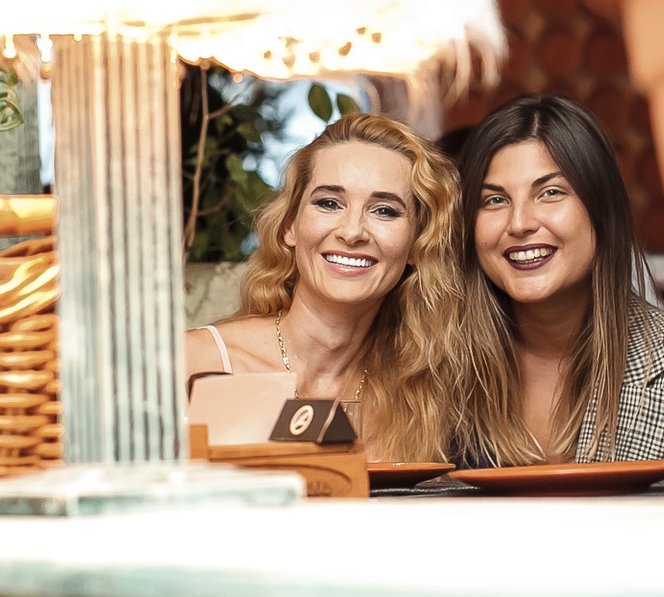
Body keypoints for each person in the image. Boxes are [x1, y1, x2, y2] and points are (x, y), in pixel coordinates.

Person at [453, 94, 664, 467]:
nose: (520, 223)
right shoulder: (433, 367)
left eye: (550, 193)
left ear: (602, 211)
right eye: (494, 200)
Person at [183, 112, 462, 462]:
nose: (352, 232)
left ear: (417, 243)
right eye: (329, 203)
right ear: (289, 226)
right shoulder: (191, 362)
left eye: (384, 211)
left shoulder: (424, 399)